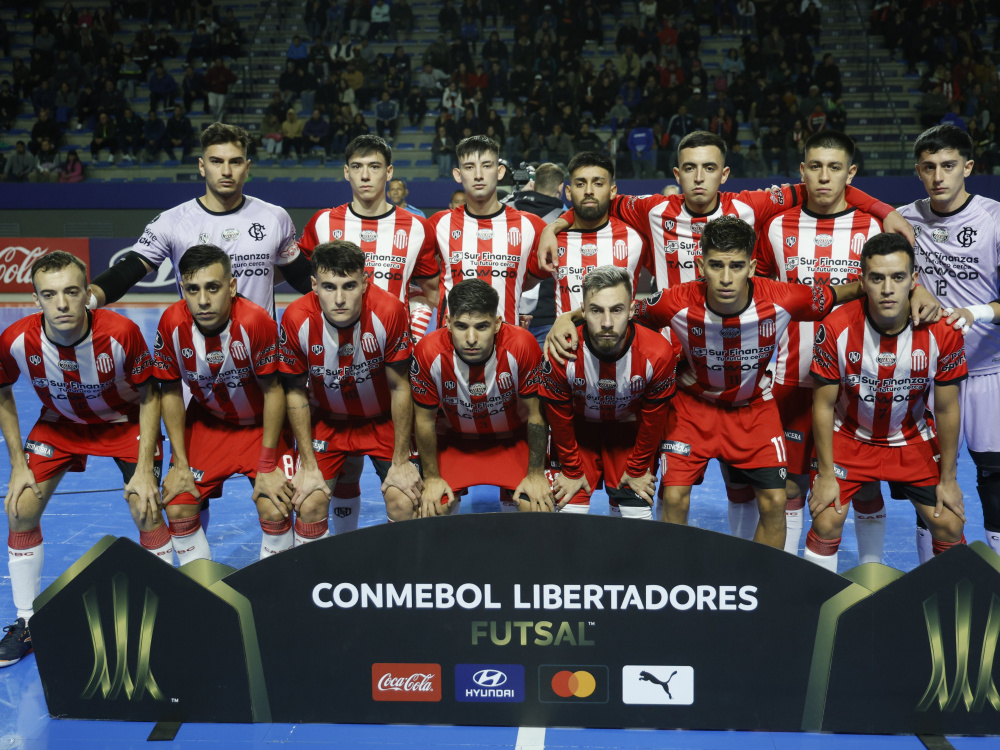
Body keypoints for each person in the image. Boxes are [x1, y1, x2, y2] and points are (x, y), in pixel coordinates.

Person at [628, 216, 862, 547]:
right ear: (700, 266)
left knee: (775, 502)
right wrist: (571, 318)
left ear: (751, 268)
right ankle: (675, 574)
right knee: (674, 497)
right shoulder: (674, 301)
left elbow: (841, 292)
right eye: (716, 265)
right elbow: (623, 313)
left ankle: (760, 576)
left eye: (736, 266)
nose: (726, 278)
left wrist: (913, 291)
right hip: (693, 409)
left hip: (754, 410)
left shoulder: (783, 298)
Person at [0, 252, 168, 668]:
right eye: (49, 295)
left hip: (123, 423)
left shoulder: (122, 332)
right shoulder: (16, 339)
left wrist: (144, 469)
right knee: (20, 509)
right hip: (61, 424)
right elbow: (2, 391)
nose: (62, 304)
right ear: (36, 299)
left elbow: (150, 394)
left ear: (86, 292)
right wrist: (18, 464)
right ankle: (26, 622)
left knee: (146, 507)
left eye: (71, 292)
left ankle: (166, 611)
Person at [754, 130, 900, 558]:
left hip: (857, 381)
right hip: (791, 377)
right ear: (802, 170)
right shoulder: (776, 226)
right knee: (790, 484)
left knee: (865, 485)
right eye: (815, 166)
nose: (823, 176)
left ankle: (871, 573)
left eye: (834, 168)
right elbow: (759, 296)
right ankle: (788, 574)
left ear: (850, 173)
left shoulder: (872, 227)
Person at [296, 136, 441, 530]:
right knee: (337, 477)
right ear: (346, 172)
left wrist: (416, 326)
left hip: (390, 373)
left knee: (406, 495)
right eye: (357, 167)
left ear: (388, 172)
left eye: (374, 167)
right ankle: (344, 553)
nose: (365, 175)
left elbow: (431, 292)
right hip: (331, 373)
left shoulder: (417, 228)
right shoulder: (322, 223)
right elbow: (307, 286)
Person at [806, 232, 967, 571]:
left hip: (911, 438)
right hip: (848, 436)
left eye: (898, 277)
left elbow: (947, 408)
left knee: (950, 524)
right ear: (862, 281)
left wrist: (949, 479)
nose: (888, 288)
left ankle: (943, 603)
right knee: (826, 519)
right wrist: (825, 474)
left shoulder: (943, 331)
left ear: (914, 279)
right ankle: (821, 601)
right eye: (877, 278)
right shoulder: (835, 327)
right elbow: (822, 405)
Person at [153, 245, 296, 563]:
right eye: (193, 289)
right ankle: (200, 586)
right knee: (178, 505)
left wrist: (267, 465)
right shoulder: (171, 323)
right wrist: (179, 463)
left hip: (261, 427)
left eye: (213, 287)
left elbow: (274, 392)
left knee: (275, 506)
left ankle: (271, 587)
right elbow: (170, 391)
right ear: (182, 289)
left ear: (231, 287)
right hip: (208, 423)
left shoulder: (256, 322)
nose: (203, 300)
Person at [899, 124, 1000, 560]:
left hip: (987, 372)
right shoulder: (903, 220)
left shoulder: (994, 219)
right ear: (918, 171)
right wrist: (914, 290)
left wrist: (976, 313)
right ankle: (931, 579)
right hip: (930, 376)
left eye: (948, 165)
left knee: (995, 480)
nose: (938, 176)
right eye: (928, 167)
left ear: (968, 167)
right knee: (929, 483)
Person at [279, 241, 423, 543]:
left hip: (383, 420)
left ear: (365, 282)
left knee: (405, 500)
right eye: (329, 287)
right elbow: (295, 393)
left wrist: (400, 461)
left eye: (349, 286)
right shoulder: (295, 318)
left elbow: (400, 386)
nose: (340, 299)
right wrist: (308, 465)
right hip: (327, 421)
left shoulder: (389, 310)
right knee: (308, 502)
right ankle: (330, 567)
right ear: (314, 285)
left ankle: (401, 570)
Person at [89, 123, 310, 318]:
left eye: (235, 162)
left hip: (260, 348)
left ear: (247, 168)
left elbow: (301, 276)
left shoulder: (275, 217)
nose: (226, 171)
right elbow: (126, 272)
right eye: (216, 161)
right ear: (202, 167)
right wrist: (88, 300)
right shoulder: (171, 222)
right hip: (197, 349)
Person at [538, 266, 677, 518]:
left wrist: (637, 469)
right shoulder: (561, 352)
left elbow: (654, 419)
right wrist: (572, 470)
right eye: (596, 310)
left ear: (632, 310)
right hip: (577, 435)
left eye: (617, 310)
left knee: (636, 518)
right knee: (570, 514)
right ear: (583, 311)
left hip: (629, 434)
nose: (607, 323)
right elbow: (558, 417)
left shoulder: (658, 353)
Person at [411, 279, 552, 515]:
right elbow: (424, 421)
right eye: (461, 326)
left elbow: (536, 415)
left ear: (497, 324)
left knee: (539, 510)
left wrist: (536, 474)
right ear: (448, 322)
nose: (471, 338)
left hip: (514, 441)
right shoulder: (428, 351)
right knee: (427, 512)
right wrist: (432, 478)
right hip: (455, 443)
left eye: (482, 326)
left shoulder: (522, 345)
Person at [427, 134, 546, 325]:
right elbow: (422, 279)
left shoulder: (532, 225)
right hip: (450, 338)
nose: (478, 175)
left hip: (508, 338)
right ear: (458, 174)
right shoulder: (438, 223)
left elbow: (526, 280)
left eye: (486, 166)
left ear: (500, 172)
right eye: (469, 167)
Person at [527, 151, 648, 323]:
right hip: (567, 339)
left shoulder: (635, 237)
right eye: (580, 184)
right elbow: (522, 284)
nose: (589, 191)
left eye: (598, 183)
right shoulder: (553, 239)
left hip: (622, 339)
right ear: (568, 192)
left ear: (612, 191)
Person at [510, 162, 566, 347]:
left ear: (533, 184)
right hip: (547, 315)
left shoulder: (506, 211)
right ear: (560, 187)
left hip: (506, 313)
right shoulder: (566, 220)